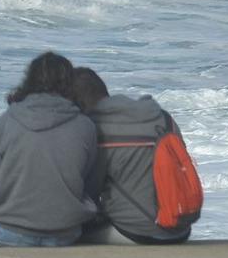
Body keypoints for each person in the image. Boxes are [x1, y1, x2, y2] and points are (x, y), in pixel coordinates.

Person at [0, 51, 100, 247]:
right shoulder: (86, 126)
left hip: (7, 234)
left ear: (29, 81)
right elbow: (89, 187)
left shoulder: (6, 121)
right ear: (69, 84)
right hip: (65, 235)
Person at [71, 67, 197, 245]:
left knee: (69, 235)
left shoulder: (97, 129)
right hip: (181, 228)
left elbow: (89, 193)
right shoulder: (162, 118)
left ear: (78, 104)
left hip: (138, 233)